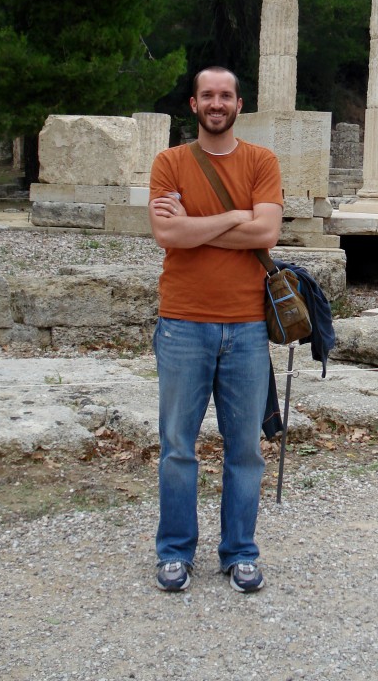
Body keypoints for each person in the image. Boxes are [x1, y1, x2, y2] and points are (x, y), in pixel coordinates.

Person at [148, 66, 283, 594]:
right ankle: (175, 552)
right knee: (177, 446)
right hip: (182, 322)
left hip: (247, 326)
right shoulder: (170, 162)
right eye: (208, 95)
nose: (217, 103)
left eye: (225, 95)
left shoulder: (262, 161)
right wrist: (234, 217)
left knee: (245, 448)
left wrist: (196, 225)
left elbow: (267, 230)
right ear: (194, 104)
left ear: (239, 104)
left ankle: (240, 552)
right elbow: (166, 233)